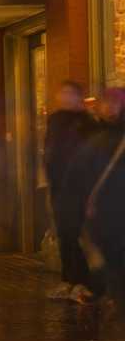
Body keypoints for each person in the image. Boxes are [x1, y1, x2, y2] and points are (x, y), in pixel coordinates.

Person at [43, 82, 98, 300]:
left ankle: (82, 282)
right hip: (59, 187)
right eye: (63, 93)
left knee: (78, 236)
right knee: (65, 234)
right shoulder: (55, 120)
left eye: (70, 93)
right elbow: (50, 152)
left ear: (79, 97)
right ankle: (68, 280)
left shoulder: (87, 123)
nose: (65, 97)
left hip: (81, 189)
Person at [82, 89, 125, 316]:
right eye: (106, 103)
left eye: (115, 103)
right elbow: (78, 177)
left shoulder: (98, 139)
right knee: (113, 261)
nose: (110, 108)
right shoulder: (94, 139)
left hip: (114, 213)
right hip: (105, 215)